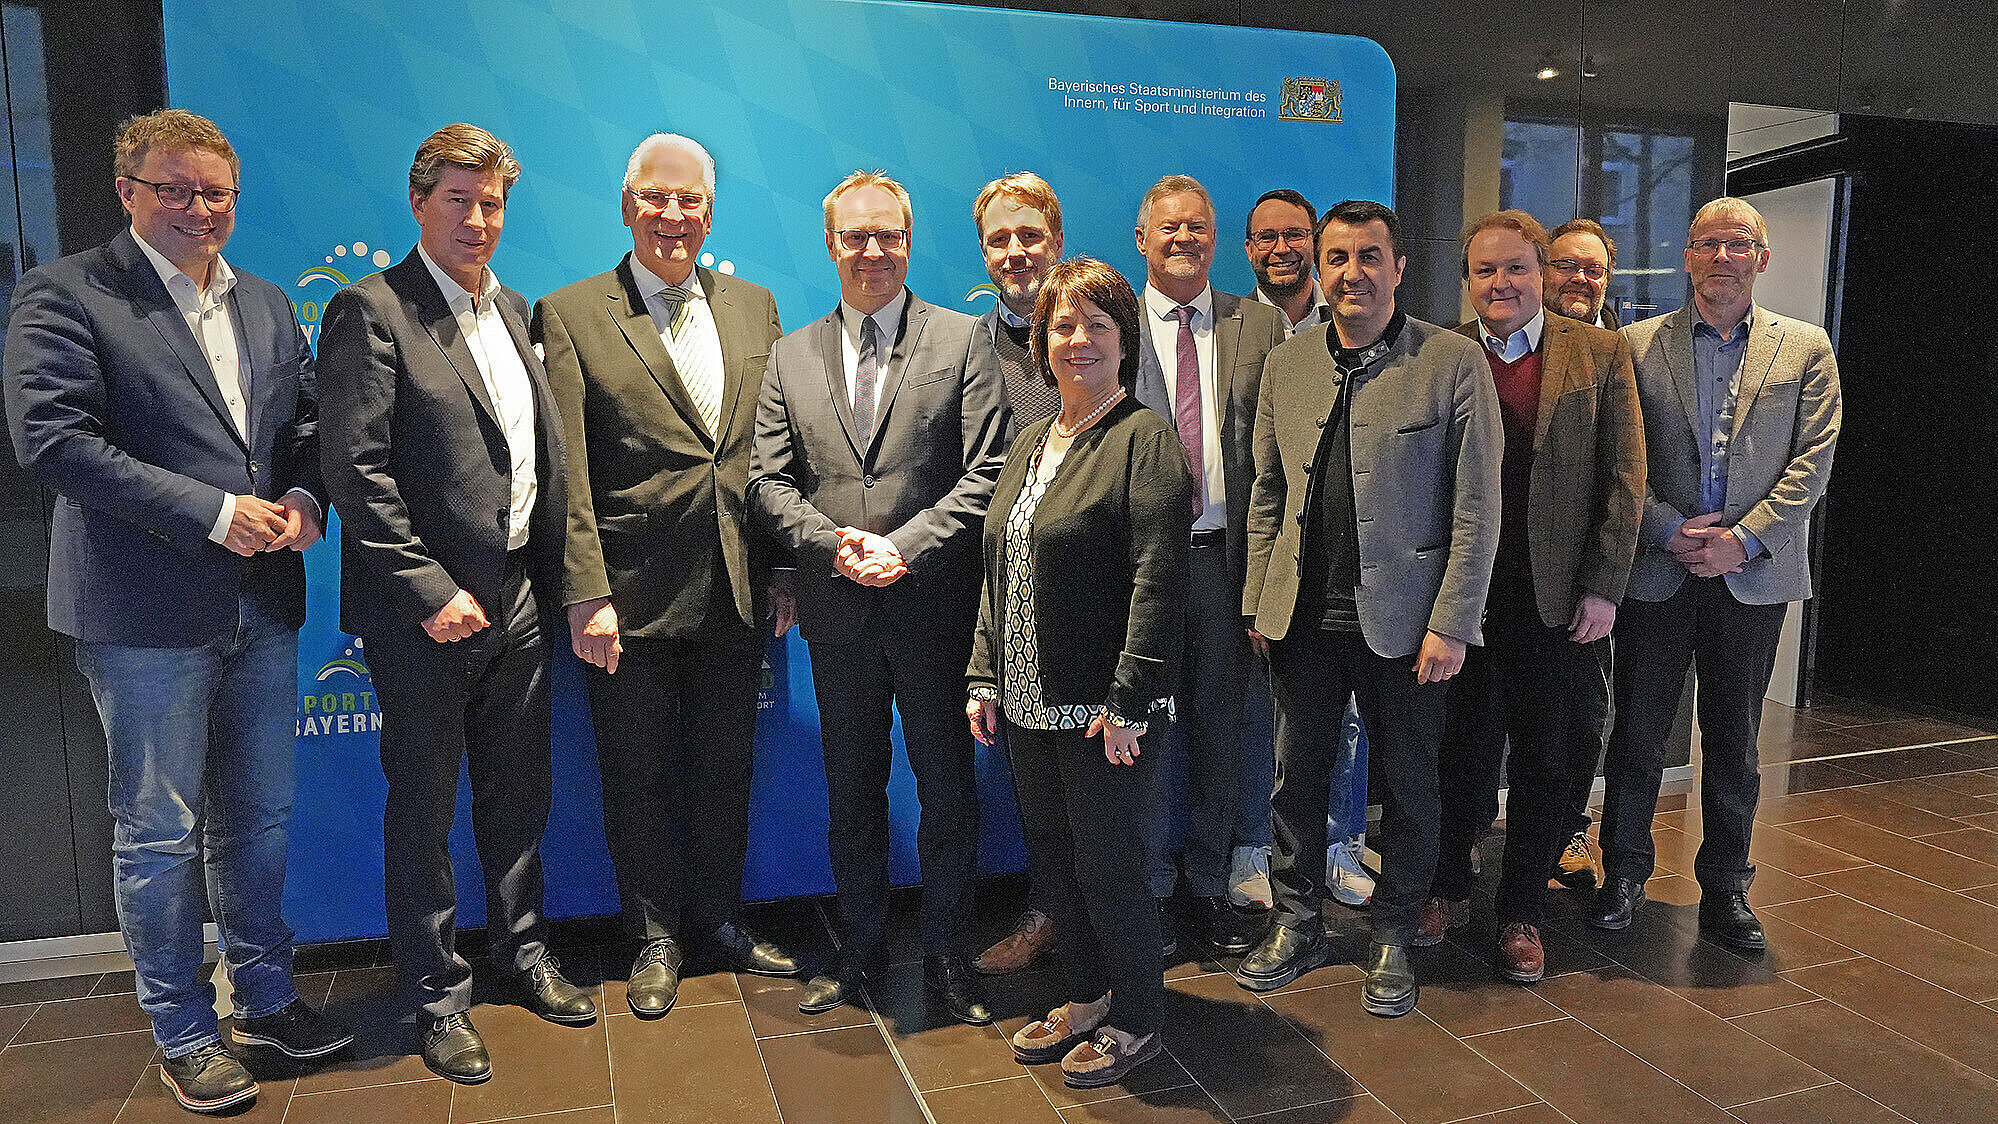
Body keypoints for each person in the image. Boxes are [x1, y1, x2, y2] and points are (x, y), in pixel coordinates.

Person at [3, 108, 351, 1115]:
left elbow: (305, 428)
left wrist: (303, 500)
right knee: (158, 832)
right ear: (128, 193)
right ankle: (185, 1028)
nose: (201, 210)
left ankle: (268, 998)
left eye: (216, 193)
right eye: (177, 190)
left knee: (260, 821)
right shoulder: (65, 294)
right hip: (142, 611)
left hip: (263, 603)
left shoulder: (269, 303)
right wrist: (209, 512)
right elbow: (52, 440)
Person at [317, 123, 592, 1085]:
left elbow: (538, 463)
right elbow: (354, 473)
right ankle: (436, 995)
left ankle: (524, 954)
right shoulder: (372, 311)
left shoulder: (515, 310)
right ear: (418, 203)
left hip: (517, 593)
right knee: (425, 808)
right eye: (459, 202)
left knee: (520, 794)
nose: (478, 221)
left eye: (492, 205)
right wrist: (431, 593)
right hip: (424, 613)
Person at [531, 132, 801, 1018]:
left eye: (689, 201)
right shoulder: (570, 312)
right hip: (628, 595)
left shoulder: (756, 306)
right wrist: (584, 591)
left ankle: (719, 921)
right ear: (626, 204)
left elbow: (775, 450)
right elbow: (566, 464)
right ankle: (653, 937)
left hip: (737, 585)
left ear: (710, 212)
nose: (672, 216)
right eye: (655, 198)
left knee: (728, 770)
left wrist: (788, 568)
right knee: (637, 776)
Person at [749, 170, 1009, 1023]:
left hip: (934, 607)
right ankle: (860, 951)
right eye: (855, 236)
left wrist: (903, 548)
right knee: (850, 789)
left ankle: (947, 956)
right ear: (830, 245)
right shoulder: (791, 354)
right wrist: (836, 547)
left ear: (908, 239)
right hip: (840, 613)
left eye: (888, 235)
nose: (873, 251)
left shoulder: (963, 339)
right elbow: (768, 483)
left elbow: (989, 474)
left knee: (948, 792)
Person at [1236, 200, 1502, 1017]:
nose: (1354, 273)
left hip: (1408, 627)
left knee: (1412, 783)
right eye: (1339, 258)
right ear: (1320, 268)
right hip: (1302, 621)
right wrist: (1257, 600)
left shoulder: (1453, 361)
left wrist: (1453, 621)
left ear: (1399, 265)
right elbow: (1267, 495)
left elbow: (1476, 506)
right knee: (1295, 780)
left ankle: (1393, 933)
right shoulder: (1289, 365)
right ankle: (1297, 920)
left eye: (1370, 257)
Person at [1593, 198, 1842, 951]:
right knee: (1636, 732)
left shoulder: (1806, 348)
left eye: (1740, 244)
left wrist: (1746, 539)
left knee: (1732, 738)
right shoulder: (1635, 345)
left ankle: (1728, 888)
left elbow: (1814, 459)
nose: (1723, 257)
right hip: (1658, 570)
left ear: (1761, 260)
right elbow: (1618, 458)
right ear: (1688, 257)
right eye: (1709, 243)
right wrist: (1668, 527)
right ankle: (1624, 873)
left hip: (1751, 578)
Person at [967, 257, 1191, 1090]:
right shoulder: (1031, 442)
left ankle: (1137, 1016)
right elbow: (1002, 563)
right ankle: (1090, 994)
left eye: (1098, 326)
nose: (1078, 340)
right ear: (1042, 340)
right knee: (1057, 865)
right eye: (1064, 325)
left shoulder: (1143, 441)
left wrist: (1131, 699)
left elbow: (1159, 579)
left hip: (1109, 711)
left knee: (1112, 867)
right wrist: (984, 674)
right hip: (1028, 705)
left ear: (1124, 343)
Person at [1423, 211, 1644, 983]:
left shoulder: (1600, 353)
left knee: (1551, 761)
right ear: (1469, 280)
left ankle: (1521, 910)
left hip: (1558, 605)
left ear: (1542, 273)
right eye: (1485, 270)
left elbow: (1625, 481)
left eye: (1517, 268)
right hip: (1463, 601)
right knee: (1461, 755)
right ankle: (1447, 884)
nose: (1501, 283)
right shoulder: (1442, 354)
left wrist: (1605, 589)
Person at [1129, 174, 1284, 956]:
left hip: (1230, 564)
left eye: (1197, 227)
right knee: (1149, 732)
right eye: (1168, 227)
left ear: (1215, 240)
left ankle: (1209, 882)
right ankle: (1151, 892)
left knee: (1224, 732)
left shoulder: (1257, 327)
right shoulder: (1113, 324)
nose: (1183, 238)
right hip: (1144, 569)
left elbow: (1281, 456)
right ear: (1142, 240)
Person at [1240, 188, 1373, 913]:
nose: (1282, 249)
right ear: (1250, 249)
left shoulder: (1357, 326)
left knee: (1346, 725)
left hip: (1357, 576)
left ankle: (1340, 843)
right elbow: (1262, 476)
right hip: (1272, 565)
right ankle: (1257, 849)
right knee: (1270, 727)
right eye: (1267, 238)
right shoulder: (1236, 329)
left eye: (1296, 236)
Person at [969, 171, 1067, 977]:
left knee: (1103, 781)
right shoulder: (965, 348)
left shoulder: (1100, 334)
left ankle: (1110, 922)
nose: (1016, 252)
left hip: (1092, 596)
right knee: (1033, 779)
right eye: (1000, 238)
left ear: (1056, 243)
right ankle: (1052, 915)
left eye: (1030, 235)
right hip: (1007, 599)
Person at [1543, 216, 1624, 890]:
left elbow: (1626, 479)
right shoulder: (1488, 346)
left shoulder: (1617, 351)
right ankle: (1475, 834)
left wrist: (1603, 584)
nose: (1580, 279)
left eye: (1592, 269)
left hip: (1584, 583)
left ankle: (1570, 831)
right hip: (1504, 576)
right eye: (1566, 265)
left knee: (1581, 719)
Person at [1545, 219, 1620, 329]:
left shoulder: (1627, 343)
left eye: (1594, 271)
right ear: (1541, 271)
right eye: (1566, 267)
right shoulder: (1515, 339)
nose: (1580, 278)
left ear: (1606, 280)